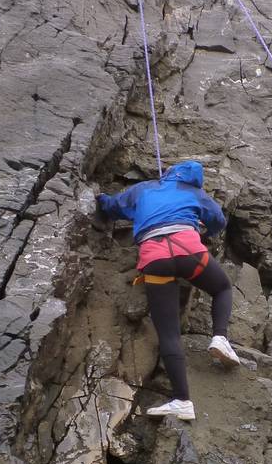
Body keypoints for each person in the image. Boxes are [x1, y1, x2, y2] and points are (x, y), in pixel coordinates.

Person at [97, 160, 240, 421]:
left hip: (155, 259)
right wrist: (207, 231)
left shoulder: (144, 189)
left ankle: (182, 401)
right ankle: (220, 337)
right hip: (189, 250)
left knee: (168, 332)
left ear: (170, 173)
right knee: (221, 288)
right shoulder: (195, 193)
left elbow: (114, 206)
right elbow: (218, 220)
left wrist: (100, 198)